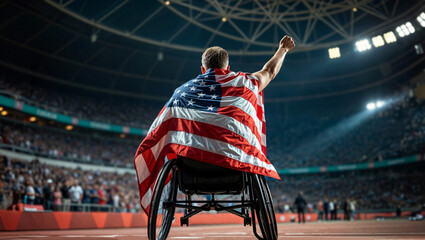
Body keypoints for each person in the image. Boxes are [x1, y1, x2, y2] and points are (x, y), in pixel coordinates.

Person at [134, 35, 295, 214]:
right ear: (228, 67)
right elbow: (269, 71)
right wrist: (283, 49)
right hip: (234, 165)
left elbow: (159, 133)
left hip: (192, 169)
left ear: (203, 69)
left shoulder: (181, 92)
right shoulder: (244, 83)